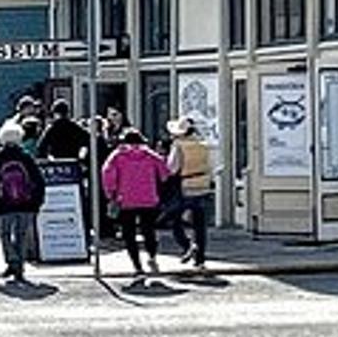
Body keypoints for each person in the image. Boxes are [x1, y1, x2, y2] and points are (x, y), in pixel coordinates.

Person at [0, 122, 45, 287]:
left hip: (3, 205)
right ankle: (20, 266)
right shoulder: (26, 157)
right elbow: (38, 181)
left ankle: (12, 260)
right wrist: (37, 202)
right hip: (26, 204)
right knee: (21, 235)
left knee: (4, 234)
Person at [104, 128, 169, 284]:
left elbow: (107, 173)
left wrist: (110, 193)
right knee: (148, 230)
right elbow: (165, 172)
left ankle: (137, 267)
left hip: (125, 199)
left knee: (129, 234)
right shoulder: (150, 155)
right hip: (148, 198)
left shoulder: (117, 156)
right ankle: (152, 257)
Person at [165, 117, 213, 270]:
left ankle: (187, 246)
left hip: (185, 185)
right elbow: (209, 165)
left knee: (175, 219)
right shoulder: (202, 145)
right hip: (202, 185)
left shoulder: (179, 146)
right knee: (199, 224)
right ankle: (200, 258)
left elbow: (172, 168)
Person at [36, 100, 90, 165]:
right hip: (73, 163)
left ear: (55, 113)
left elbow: (41, 147)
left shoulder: (52, 128)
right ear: (67, 112)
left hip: (57, 163)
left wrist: (48, 158)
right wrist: (81, 157)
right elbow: (87, 141)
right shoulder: (75, 127)